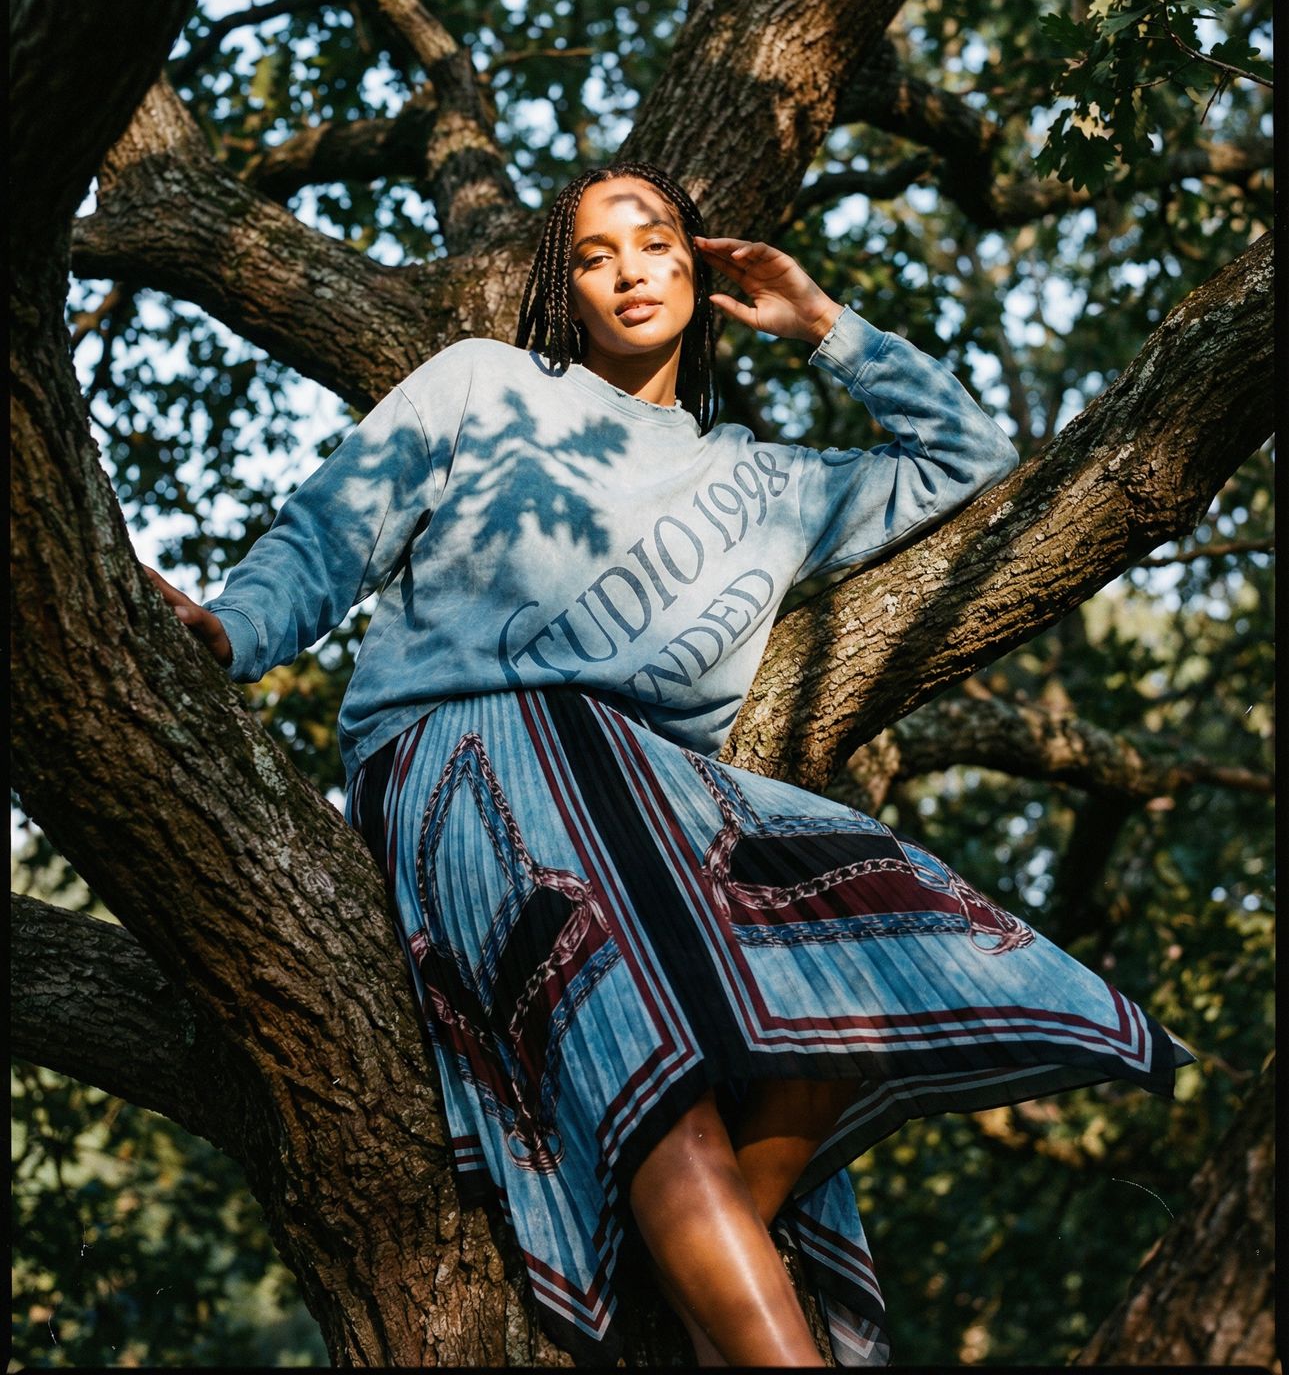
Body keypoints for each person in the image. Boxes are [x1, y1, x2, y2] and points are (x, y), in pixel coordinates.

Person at [146, 160, 1191, 1367]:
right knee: (666, 1095)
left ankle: (699, 1272)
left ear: (696, 266)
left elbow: (967, 456)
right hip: (477, 751)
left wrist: (826, 326)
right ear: (565, 289)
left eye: (652, 241)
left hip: (653, 795)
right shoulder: (485, 385)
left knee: (857, 979)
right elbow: (331, 530)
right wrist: (229, 633)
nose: (628, 269)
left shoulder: (768, 482)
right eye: (594, 254)